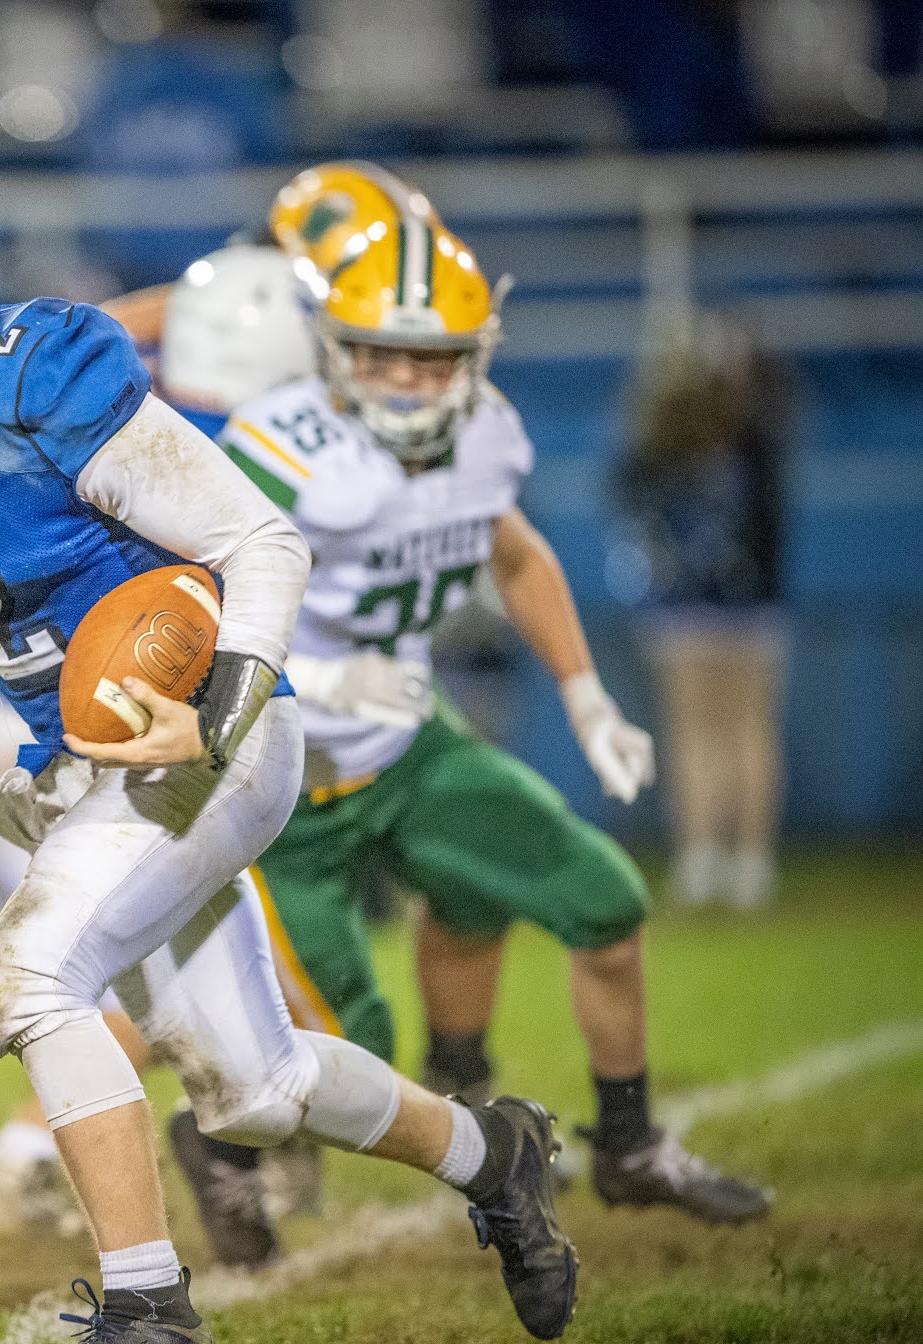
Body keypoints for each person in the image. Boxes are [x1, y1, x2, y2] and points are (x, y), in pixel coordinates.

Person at [0, 148, 578, 1344]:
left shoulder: (29, 379)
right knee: (253, 1086)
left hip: (212, 731)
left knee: (23, 979)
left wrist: (212, 717)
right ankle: (494, 1155)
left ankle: (145, 1310)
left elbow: (262, 545)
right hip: (88, 761)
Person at [193, 168, 773, 1232]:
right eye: (373, 353)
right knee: (336, 1051)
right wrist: (313, 673)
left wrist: (586, 696)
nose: (401, 381)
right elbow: (196, 604)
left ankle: (626, 1143)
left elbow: (511, 552)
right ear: (329, 344)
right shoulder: (278, 446)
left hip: (404, 746)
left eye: (428, 359)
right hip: (276, 784)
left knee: (601, 902)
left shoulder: (489, 433)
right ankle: (211, 1138)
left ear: (474, 360)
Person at [615, 313, 790, 910]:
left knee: (704, 733)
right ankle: (741, 862)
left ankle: (710, 860)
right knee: (743, 730)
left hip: (698, 604)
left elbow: (627, 495)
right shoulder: (750, 434)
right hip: (729, 603)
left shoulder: (680, 434)